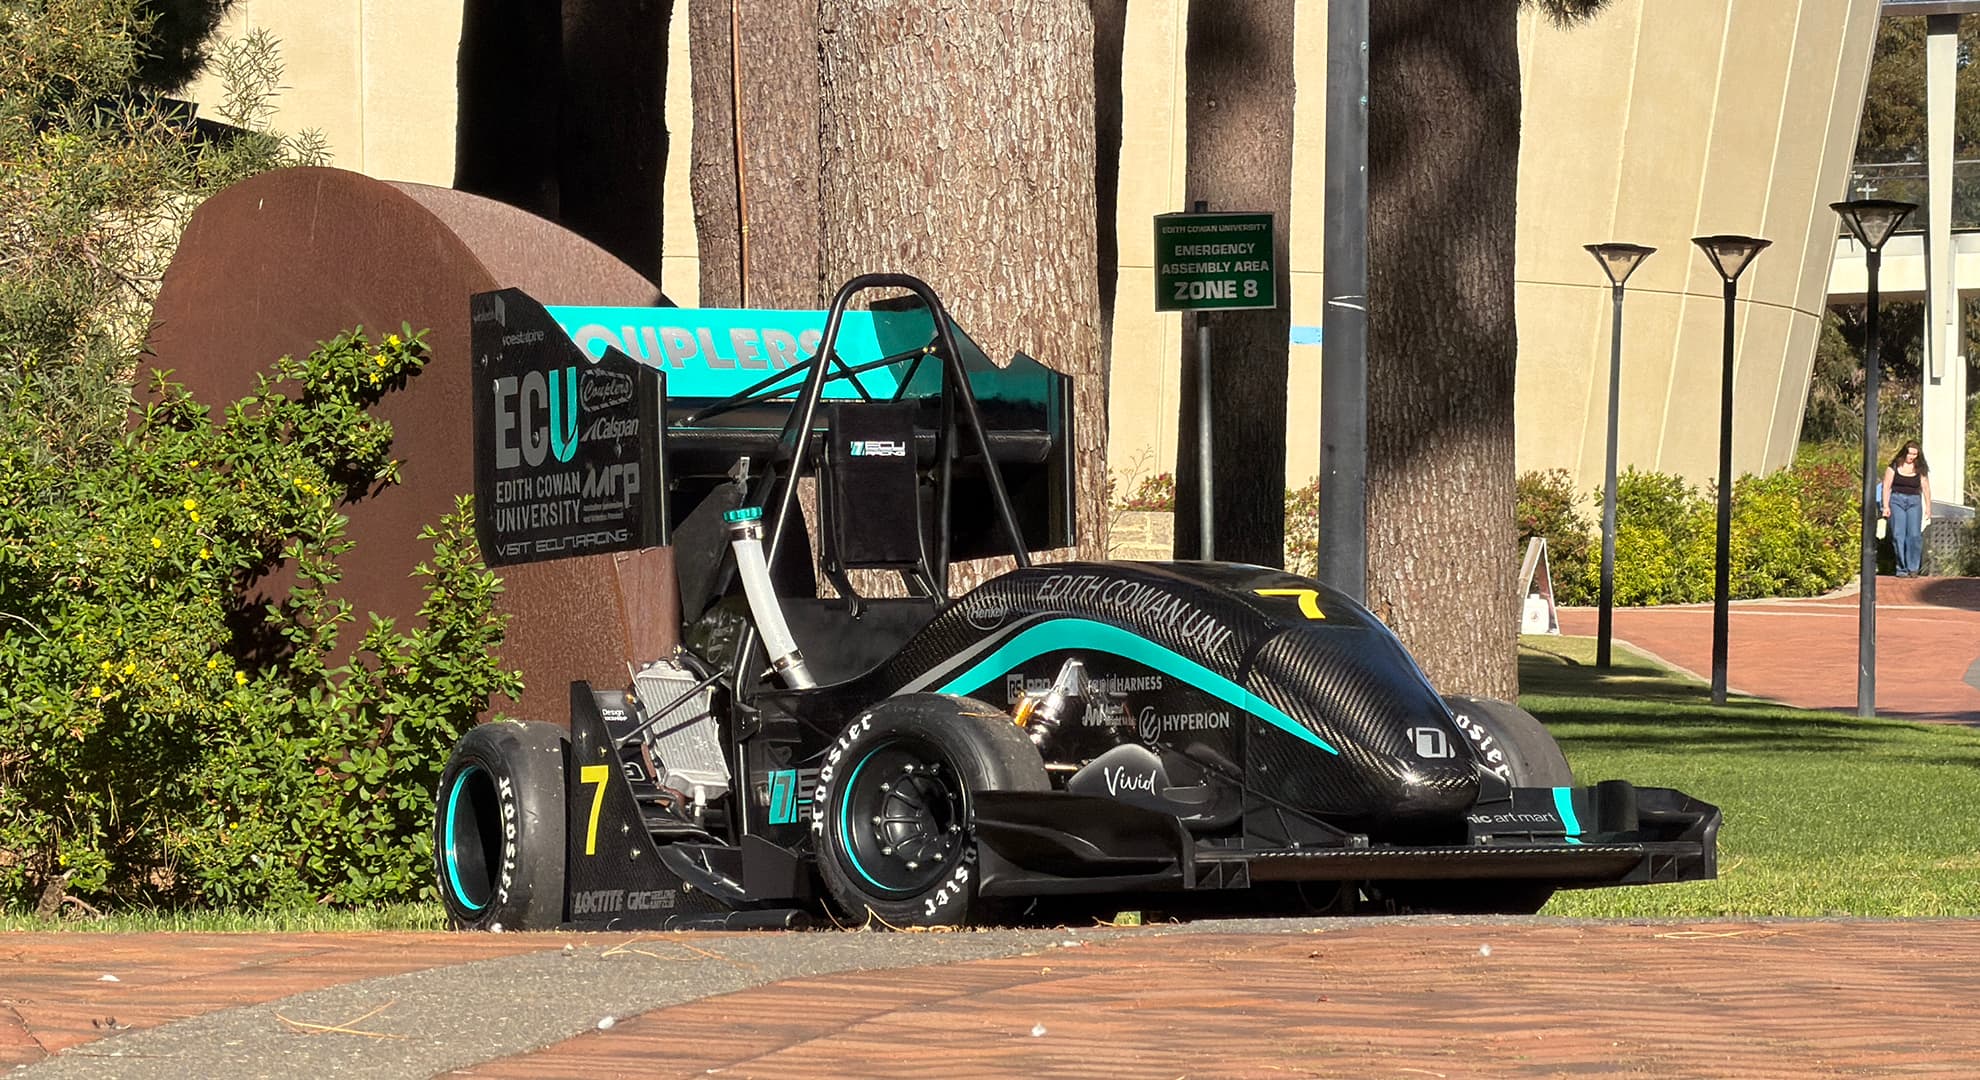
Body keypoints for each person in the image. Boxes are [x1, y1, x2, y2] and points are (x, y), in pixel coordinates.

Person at [1881, 440, 1932, 577]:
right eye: (1910, 454)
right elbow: (1886, 486)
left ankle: (1913, 568)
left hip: (1914, 501)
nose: (1912, 457)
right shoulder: (1894, 466)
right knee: (1899, 535)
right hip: (1896, 500)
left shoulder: (1920, 468)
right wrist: (1885, 506)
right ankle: (1901, 568)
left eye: (1915, 454)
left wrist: (1928, 507)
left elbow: (1925, 487)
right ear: (1905, 452)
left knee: (1914, 535)